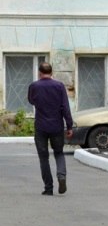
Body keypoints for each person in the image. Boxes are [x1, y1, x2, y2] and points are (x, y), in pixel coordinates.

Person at [27, 62, 74, 196]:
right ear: (51, 72)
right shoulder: (59, 86)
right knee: (59, 153)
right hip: (57, 126)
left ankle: (48, 188)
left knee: (43, 158)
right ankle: (62, 176)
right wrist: (69, 125)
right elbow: (65, 107)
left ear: (39, 73)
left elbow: (31, 101)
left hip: (41, 126)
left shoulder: (34, 86)